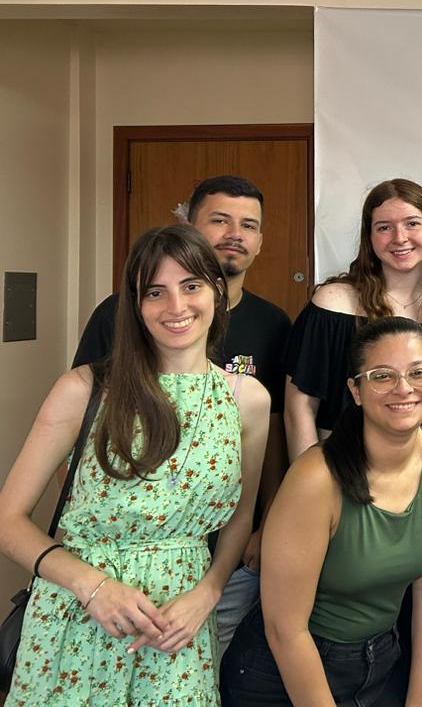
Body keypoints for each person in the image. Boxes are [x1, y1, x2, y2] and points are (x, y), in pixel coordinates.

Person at [0, 225, 270, 706]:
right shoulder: (85, 389)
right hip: (78, 618)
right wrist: (93, 587)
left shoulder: (247, 399)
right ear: (135, 304)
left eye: (191, 286)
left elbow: (240, 517)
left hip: (177, 629)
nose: (176, 306)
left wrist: (209, 592)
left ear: (216, 291)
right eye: (155, 292)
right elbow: (8, 521)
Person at [71, 174, 292, 655]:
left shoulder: (273, 325)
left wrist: (266, 524)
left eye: (248, 225)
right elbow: (83, 435)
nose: (234, 234)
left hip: (216, 564)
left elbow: (271, 437)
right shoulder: (118, 316)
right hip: (107, 570)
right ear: (189, 227)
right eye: (220, 220)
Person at [221, 316, 422, 706]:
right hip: (281, 671)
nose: (404, 388)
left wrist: (420, 695)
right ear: (356, 390)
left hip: (379, 659)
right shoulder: (316, 477)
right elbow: (285, 629)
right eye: (382, 376)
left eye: (418, 372)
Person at [284, 177, 422, 459]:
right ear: (369, 237)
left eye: (412, 223)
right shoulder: (333, 303)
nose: (399, 237)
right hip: (338, 466)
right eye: (384, 227)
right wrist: (311, 476)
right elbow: (299, 407)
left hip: (416, 471)